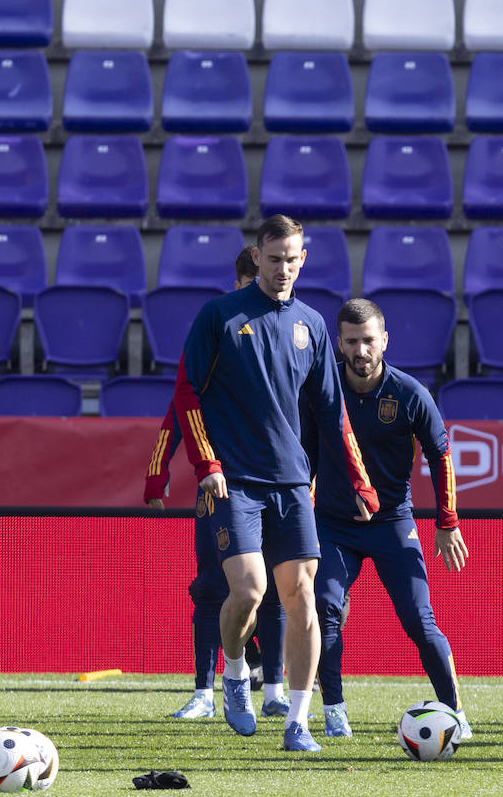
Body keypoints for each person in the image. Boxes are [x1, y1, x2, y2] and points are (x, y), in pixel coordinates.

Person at [172, 214, 379, 752]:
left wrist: (358, 481)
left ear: (302, 259)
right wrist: (206, 465)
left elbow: (333, 415)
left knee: (302, 596)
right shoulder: (219, 315)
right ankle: (236, 674)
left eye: (292, 258)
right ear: (257, 257)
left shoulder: (311, 323)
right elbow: (187, 393)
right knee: (249, 590)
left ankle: (298, 722)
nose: (283, 267)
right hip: (233, 481)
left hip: (291, 484)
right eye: (273, 258)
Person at [310, 298, 471, 740]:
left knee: (420, 620)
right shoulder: (322, 390)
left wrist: (447, 522)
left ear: (384, 340)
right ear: (339, 344)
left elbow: (442, 457)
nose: (361, 351)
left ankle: (455, 713)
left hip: (392, 522)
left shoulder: (409, 393)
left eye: (368, 341)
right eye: (351, 342)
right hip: (333, 524)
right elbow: (303, 452)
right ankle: (334, 711)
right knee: (324, 608)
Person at [146, 248, 288, 720]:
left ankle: (273, 687)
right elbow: (178, 406)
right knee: (211, 587)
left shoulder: (290, 333)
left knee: (273, 586)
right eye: (245, 281)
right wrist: (158, 470)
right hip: (221, 486)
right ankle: (205, 692)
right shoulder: (218, 330)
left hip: (275, 483)